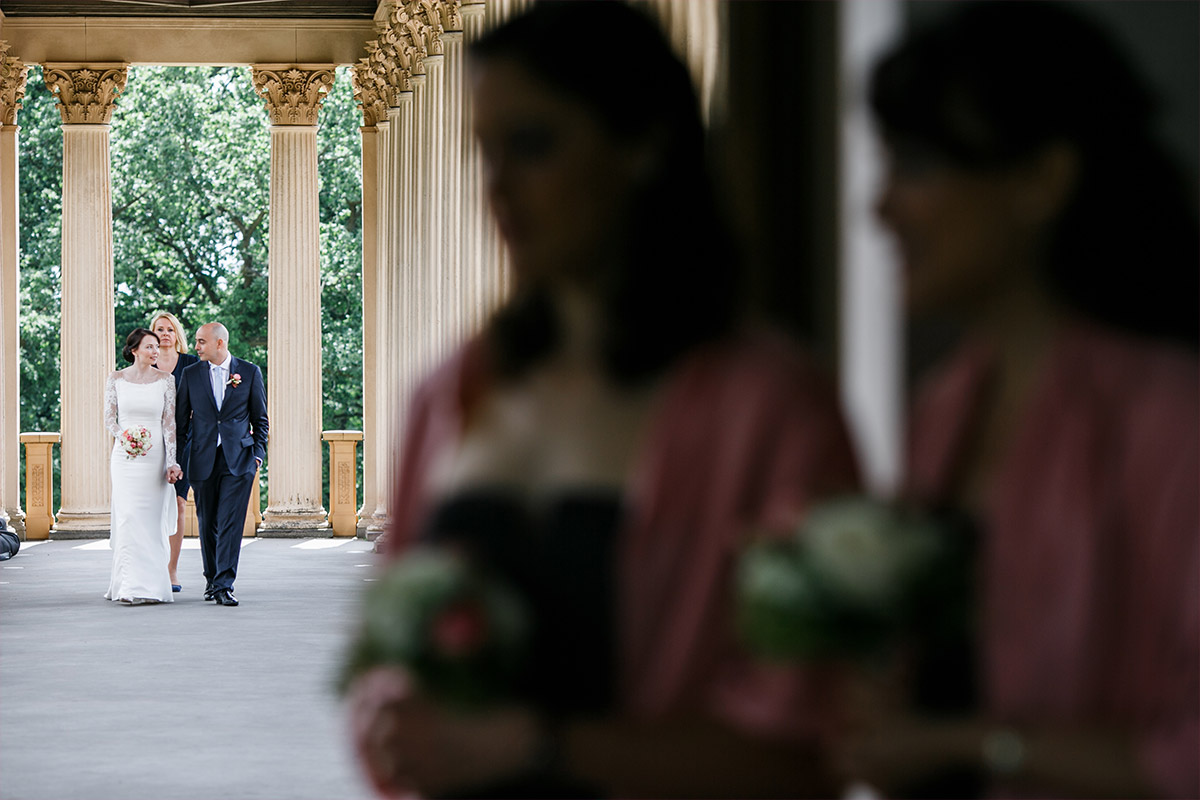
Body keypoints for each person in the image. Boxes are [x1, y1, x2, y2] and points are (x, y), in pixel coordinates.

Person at [349, 3, 859, 798]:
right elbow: (385, 653)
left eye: (535, 145)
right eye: (485, 152)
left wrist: (539, 747)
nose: (499, 188)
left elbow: (812, 740)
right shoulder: (452, 395)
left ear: (643, 145)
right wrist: (391, 717)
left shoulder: (771, 407)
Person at [834, 3, 1198, 797]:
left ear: (1042, 180)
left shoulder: (1168, 417)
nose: (881, 209)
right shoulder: (946, 407)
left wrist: (968, 744)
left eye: (919, 166)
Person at [175, 322, 268, 608]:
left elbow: (260, 419)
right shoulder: (191, 375)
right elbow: (180, 424)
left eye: (201, 341)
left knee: (230, 522)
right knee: (207, 523)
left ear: (219, 343)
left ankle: (224, 584)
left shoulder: (249, 372)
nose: (196, 346)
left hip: (239, 460)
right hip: (202, 458)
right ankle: (212, 579)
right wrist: (178, 461)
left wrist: (257, 455)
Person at [103, 327, 182, 605]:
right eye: (149, 347)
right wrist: (125, 437)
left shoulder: (166, 380)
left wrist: (171, 460)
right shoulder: (116, 379)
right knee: (128, 517)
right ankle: (127, 585)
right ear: (134, 350)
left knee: (150, 519)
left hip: (155, 456)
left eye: (157, 347)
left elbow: (168, 423)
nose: (155, 351)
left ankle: (153, 586)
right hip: (124, 456)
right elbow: (109, 418)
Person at [151, 311, 200, 592]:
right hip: (151, 442)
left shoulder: (191, 364)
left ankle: (172, 569)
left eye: (170, 329)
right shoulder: (145, 363)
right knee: (152, 506)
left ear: (177, 334)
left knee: (179, 503)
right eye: (160, 329)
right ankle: (152, 565)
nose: (166, 333)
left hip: (185, 441)